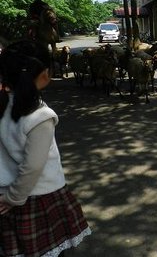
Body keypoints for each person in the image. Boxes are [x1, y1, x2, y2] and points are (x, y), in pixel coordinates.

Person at [0, 40, 91, 256]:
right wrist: (14, 197)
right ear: (44, 74)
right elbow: (32, 166)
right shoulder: (40, 116)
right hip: (35, 198)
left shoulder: (2, 104)